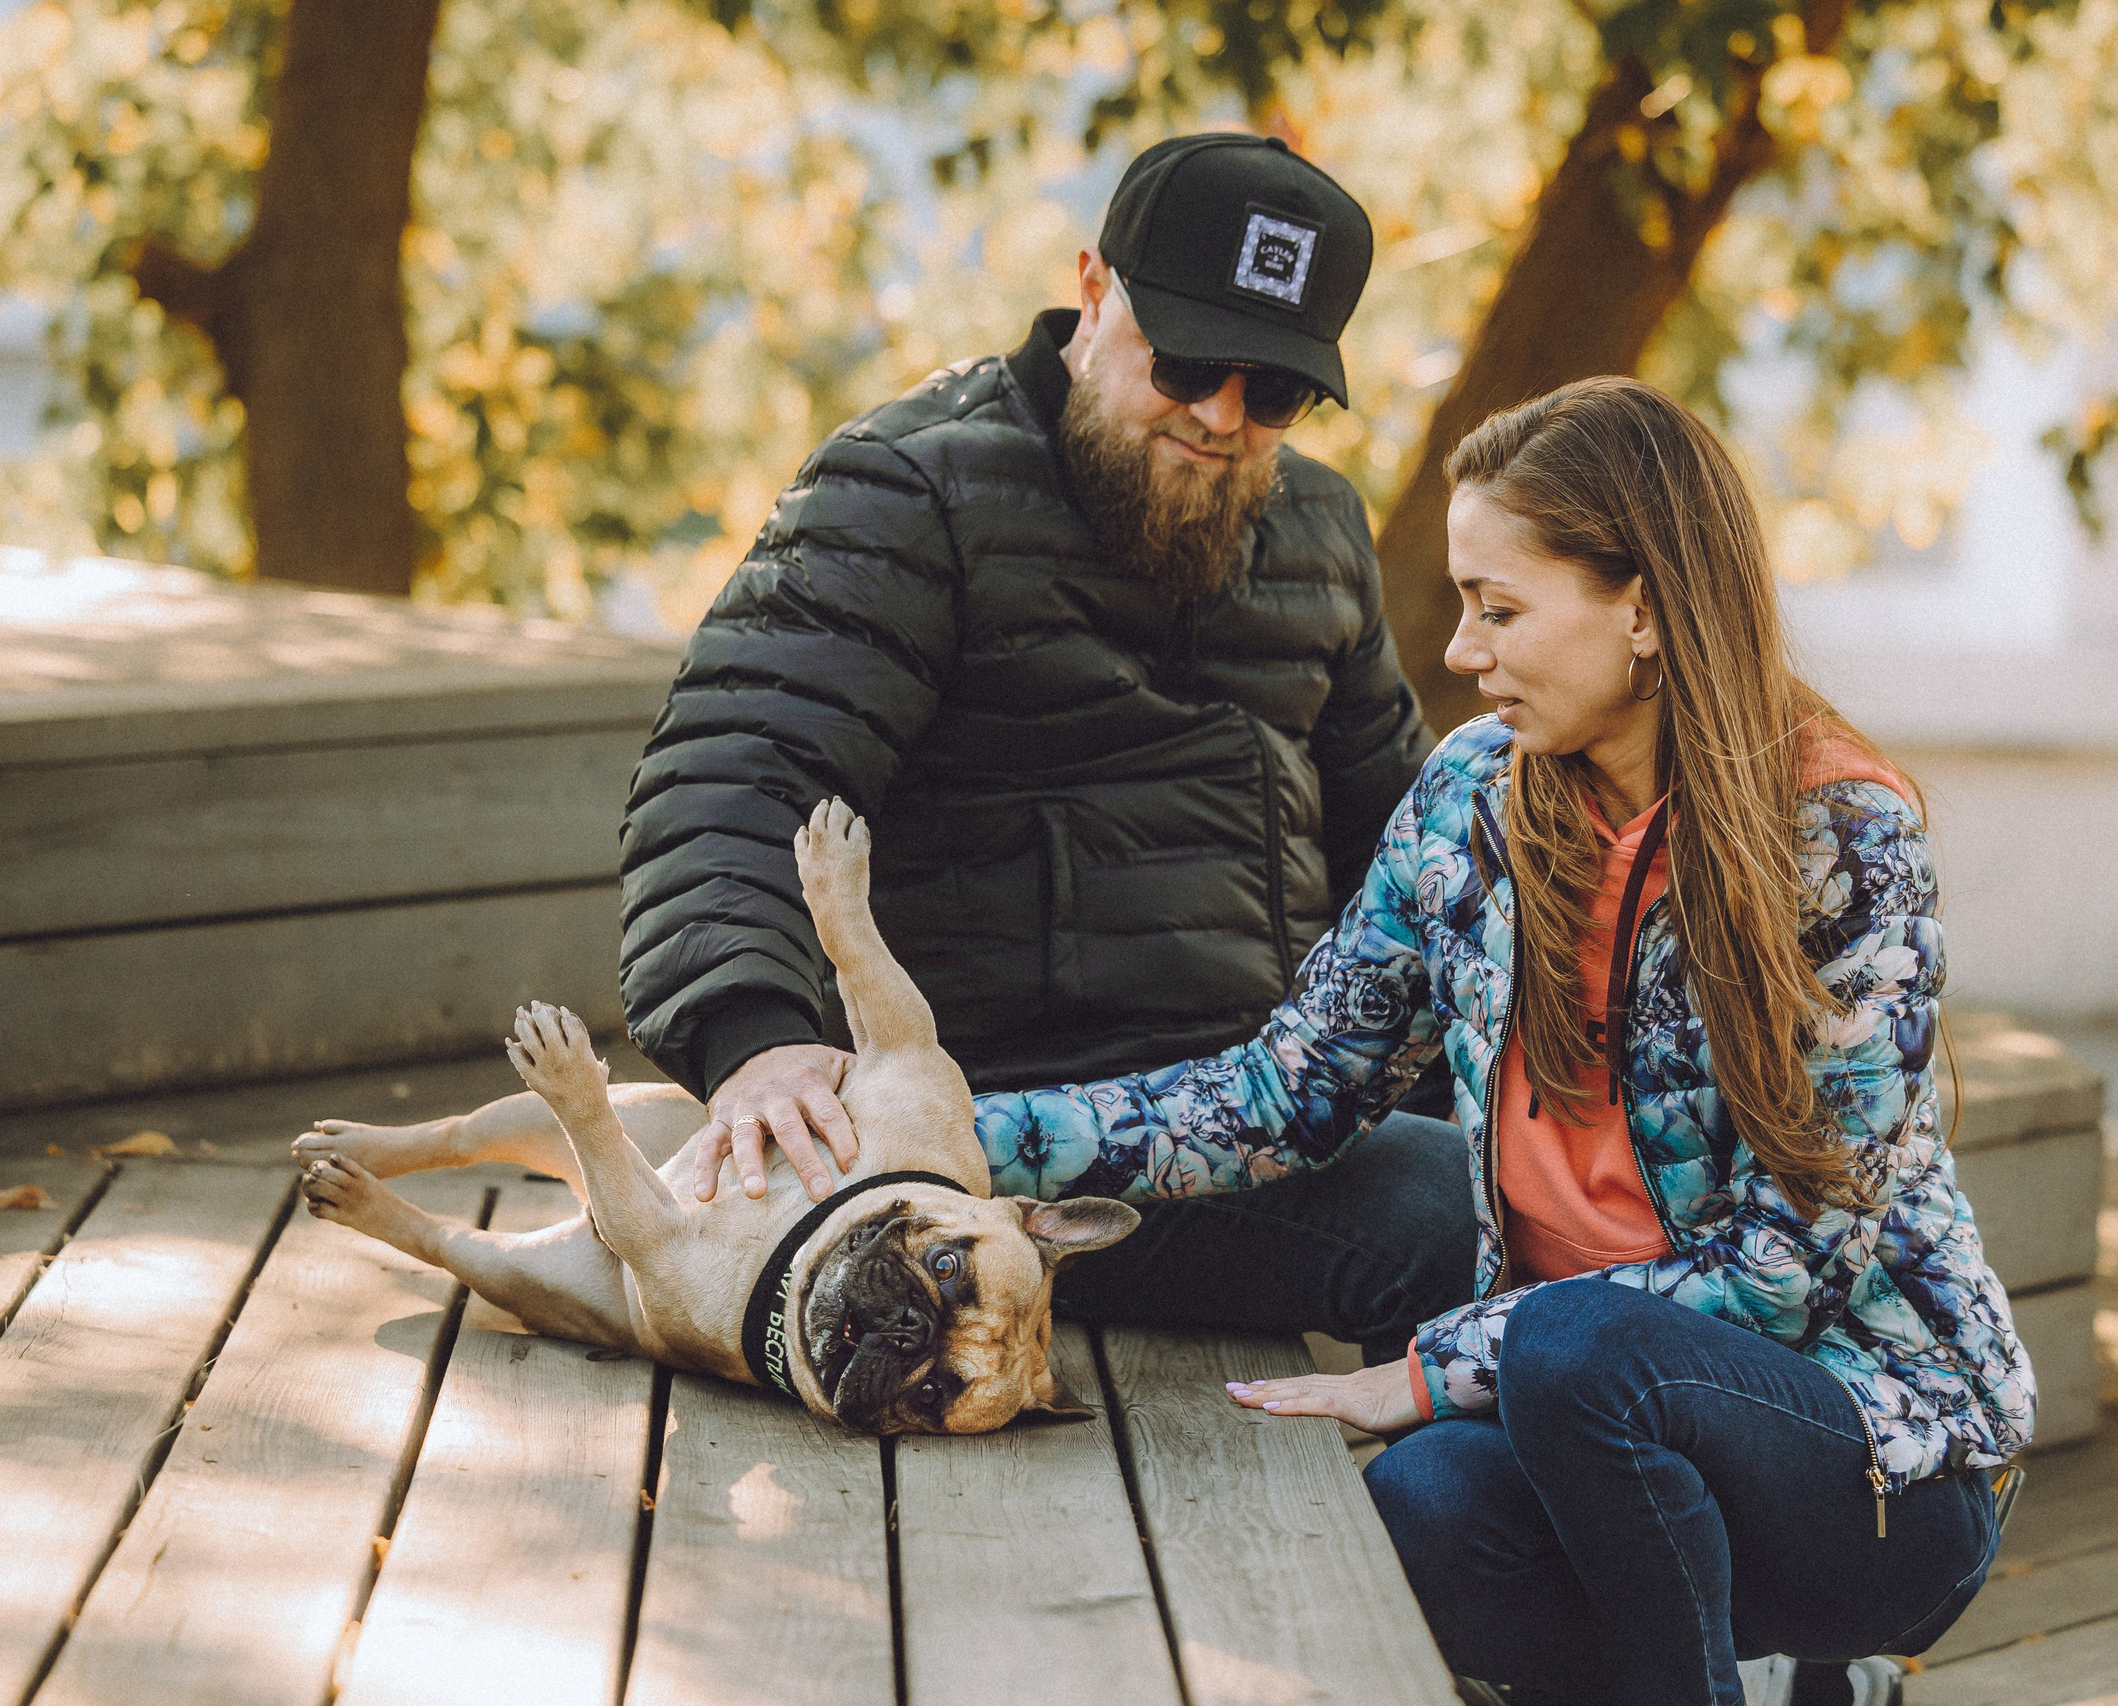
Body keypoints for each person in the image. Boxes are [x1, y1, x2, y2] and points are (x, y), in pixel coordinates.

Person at [311, 134, 1475, 1360]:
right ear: (1093, 289)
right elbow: (732, 774)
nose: (1219, 416)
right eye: (1183, 361)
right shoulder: (908, 491)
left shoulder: (1320, 528)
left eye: (1274, 390)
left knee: (1574, 1190)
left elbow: (1406, 865)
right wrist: (755, 1043)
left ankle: (1431, 1525)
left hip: (1265, 1116)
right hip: (976, 1150)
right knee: (1440, 1212)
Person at [973, 377, 2033, 1705]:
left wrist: (1437, 1365)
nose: (1466, 650)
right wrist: (968, 1141)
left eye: (1502, 606)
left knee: (1567, 1348)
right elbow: (1284, 1091)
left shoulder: (1841, 836)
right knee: (1424, 1505)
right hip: (1581, 1433)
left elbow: (1787, 1267)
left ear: (1641, 607)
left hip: (1871, 1459)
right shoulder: (1472, 794)